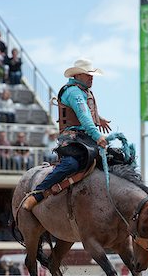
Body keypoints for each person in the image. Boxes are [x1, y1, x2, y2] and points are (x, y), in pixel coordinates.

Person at [23, 58, 111, 210]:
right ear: (77, 75)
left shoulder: (82, 91)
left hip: (84, 138)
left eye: (91, 74)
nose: (91, 77)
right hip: (72, 139)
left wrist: (99, 118)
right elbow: (83, 117)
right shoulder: (74, 93)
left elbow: (85, 113)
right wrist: (98, 136)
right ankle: (37, 194)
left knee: (113, 160)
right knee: (71, 164)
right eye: (87, 74)